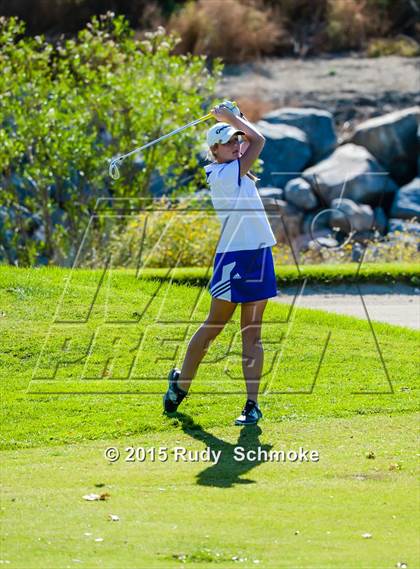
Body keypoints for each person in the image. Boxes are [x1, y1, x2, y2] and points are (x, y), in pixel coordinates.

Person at [163, 102, 278, 425]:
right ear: (215, 150)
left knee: (252, 333)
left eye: (237, 139)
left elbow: (253, 142)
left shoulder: (239, 171)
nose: (237, 144)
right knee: (214, 324)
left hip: (257, 255)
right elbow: (260, 142)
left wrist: (235, 120)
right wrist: (234, 118)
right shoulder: (222, 173)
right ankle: (181, 386)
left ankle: (251, 405)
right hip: (233, 259)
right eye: (229, 141)